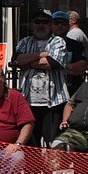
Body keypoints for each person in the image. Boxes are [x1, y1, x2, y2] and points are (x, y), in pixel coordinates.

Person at [13, 8, 69, 147]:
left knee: (53, 142)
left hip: (54, 101)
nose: (41, 25)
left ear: (50, 24)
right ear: (32, 24)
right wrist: (42, 54)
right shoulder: (25, 42)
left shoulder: (58, 42)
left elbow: (53, 63)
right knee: (31, 143)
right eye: (37, 22)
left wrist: (29, 62)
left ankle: (51, 168)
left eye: (44, 22)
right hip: (28, 101)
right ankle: (35, 169)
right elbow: (16, 60)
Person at [51, 10, 87, 96]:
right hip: (50, 91)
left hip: (71, 91)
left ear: (68, 26)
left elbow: (82, 67)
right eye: (56, 23)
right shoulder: (45, 44)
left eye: (63, 23)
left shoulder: (76, 45)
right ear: (51, 25)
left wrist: (55, 67)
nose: (59, 26)